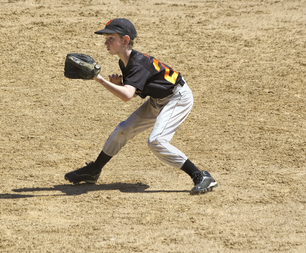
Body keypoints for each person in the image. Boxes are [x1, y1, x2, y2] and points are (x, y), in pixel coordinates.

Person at [64, 18, 218, 195]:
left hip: (177, 98)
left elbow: (127, 96)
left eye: (110, 38)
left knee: (156, 141)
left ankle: (201, 176)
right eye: (105, 38)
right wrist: (122, 83)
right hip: (157, 99)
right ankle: (94, 170)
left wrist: (99, 79)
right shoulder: (125, 61)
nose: (106, 42)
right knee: (123, 129)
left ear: (125, 40)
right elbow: (137, 89)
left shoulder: (136, 63)